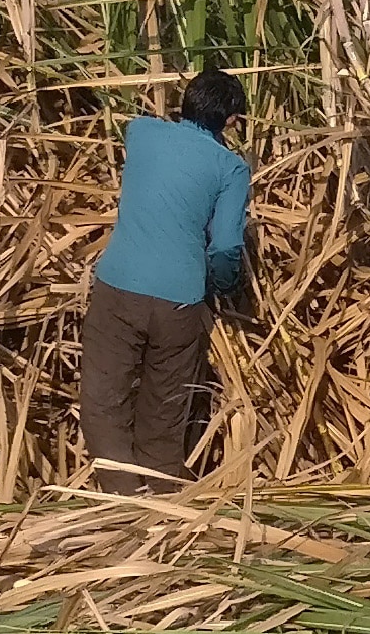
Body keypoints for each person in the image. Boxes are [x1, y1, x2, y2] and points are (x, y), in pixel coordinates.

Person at [83, 65, 255, 495]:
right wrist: (223, 284)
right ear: (231, 121)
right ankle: (162, 507)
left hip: (118, 289)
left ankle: (121, 499)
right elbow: (226, 246)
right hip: (180, 302)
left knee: (104, 398)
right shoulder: (231, 169)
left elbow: (143, 127)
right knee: (165, 408)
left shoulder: (140, 133)